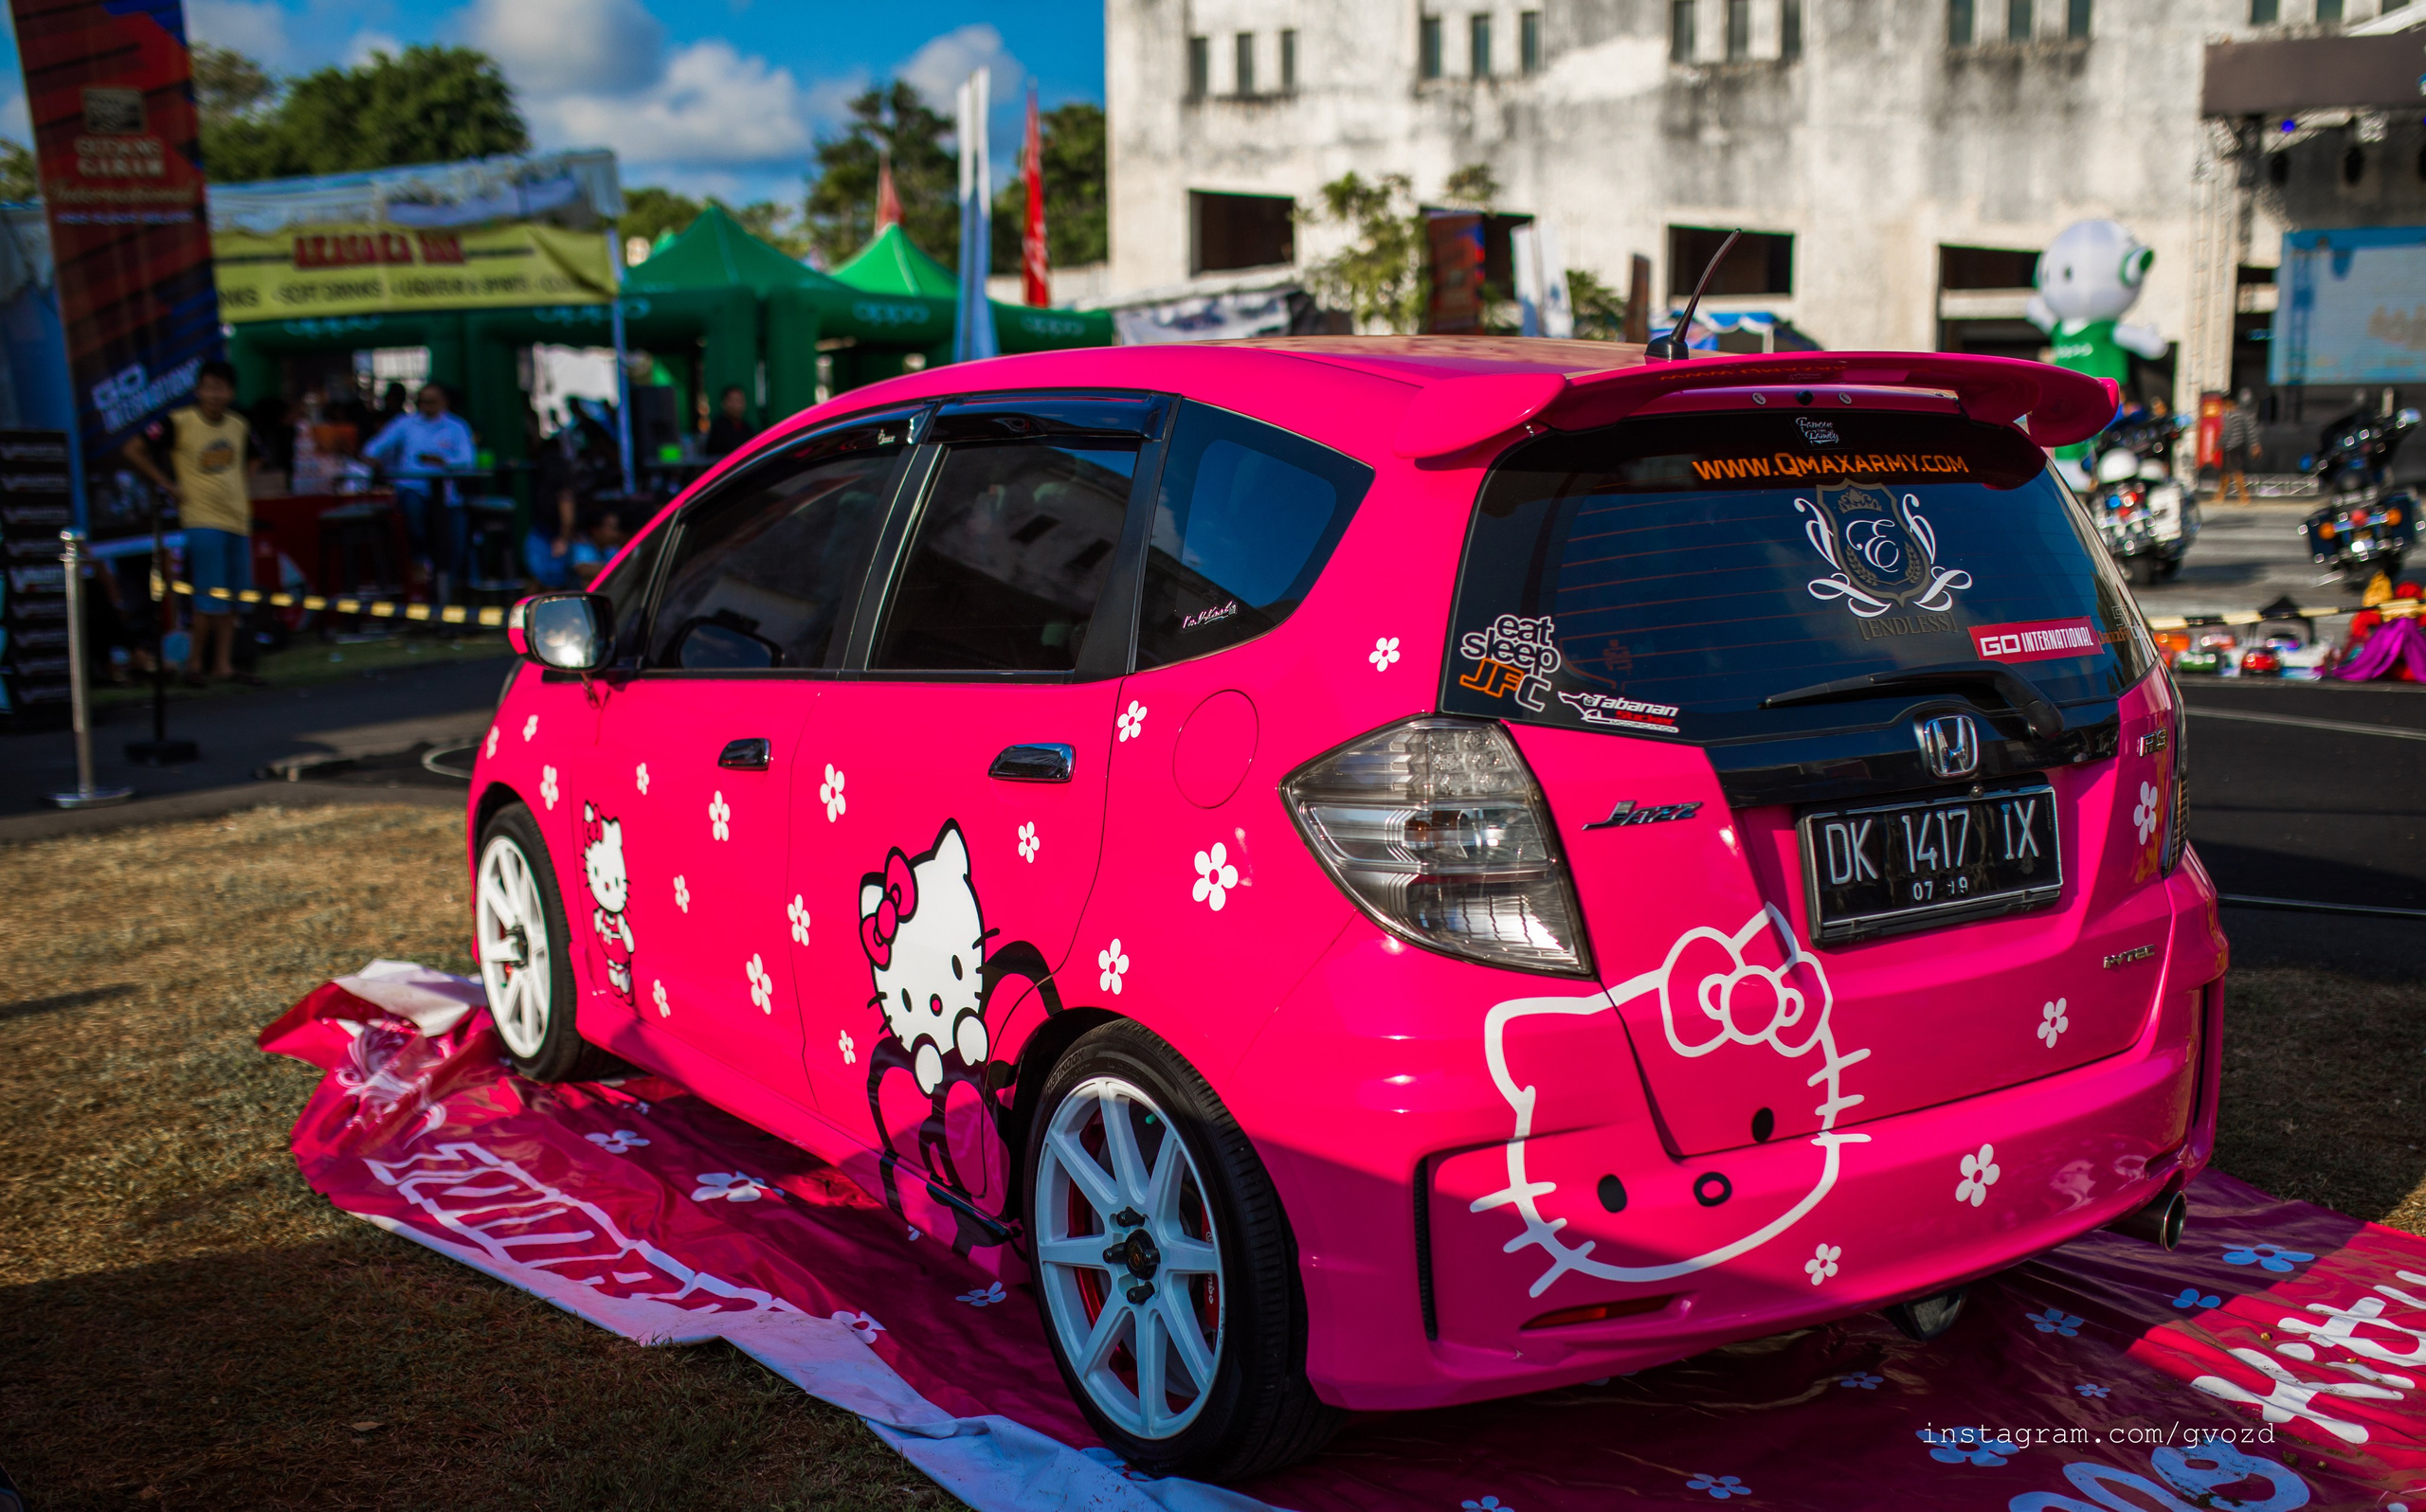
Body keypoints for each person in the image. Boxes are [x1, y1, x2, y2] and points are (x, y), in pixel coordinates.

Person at [120, 359, 262, 685]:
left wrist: (242, 483)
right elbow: (134, 449)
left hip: (238, 520)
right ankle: (195, 664)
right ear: (198, 390)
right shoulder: (179, 421)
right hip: (202, 520)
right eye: (208, 387)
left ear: (231, 392)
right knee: (206, 599)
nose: (214, 395)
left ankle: (223, 665)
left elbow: (257, 456)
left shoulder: (239, 425)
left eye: (221, 388)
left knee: (233, 599)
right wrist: (167, 485)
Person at [364, 383, 479, 598]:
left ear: (444, 402)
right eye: (422, 401)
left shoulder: (456, 427)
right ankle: (421, 560)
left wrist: (444, 461)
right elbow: (374, 448)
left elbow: (468, 461)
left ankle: (446, 594)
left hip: (447, 495)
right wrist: (374, 462)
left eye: (431, 401)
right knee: (413, 511)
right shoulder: (405, 424)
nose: (426, 406)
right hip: (412, 489)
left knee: (455, 541)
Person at [2218, 390, 2258, 505]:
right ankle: (2220, 495)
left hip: (2230, 445)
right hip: (2239, 444)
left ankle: (2243, 496)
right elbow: (2249, 430)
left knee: (2236, 471)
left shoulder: (2229, 414)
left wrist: (2218, 444)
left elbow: (2226, 432)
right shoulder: (2242, 413)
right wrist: (2253, 444)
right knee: (2226, 471)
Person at [703, 385, 757, 458]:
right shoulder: (719, 427)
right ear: (724, 403)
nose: (739, 405)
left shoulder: (747, 428)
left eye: (741, 400)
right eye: (735, 400)